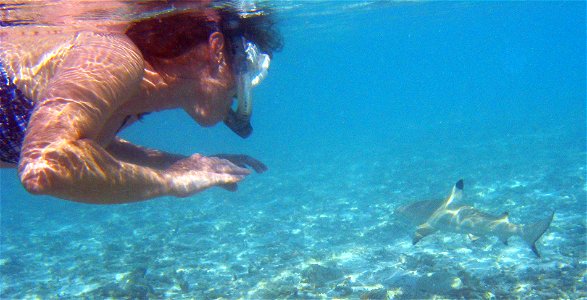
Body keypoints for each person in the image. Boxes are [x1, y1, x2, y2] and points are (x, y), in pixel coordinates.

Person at [0, 0, 282, 204]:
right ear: (216, 50)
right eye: (247, 66)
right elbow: (45, 165)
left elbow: (89, 144)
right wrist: (170, 182)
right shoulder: (116, 56)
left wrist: (182, 165)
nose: (244, 88)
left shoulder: (136, 97)